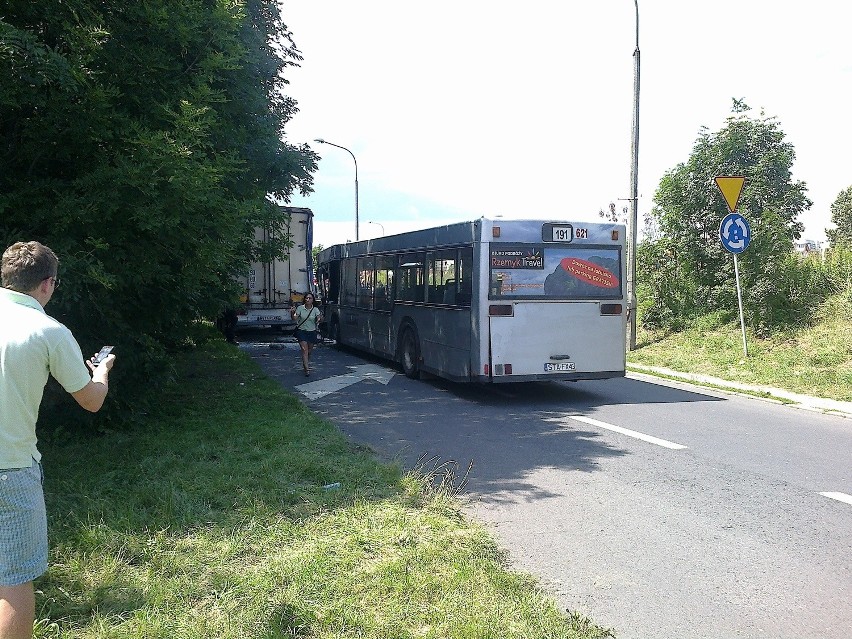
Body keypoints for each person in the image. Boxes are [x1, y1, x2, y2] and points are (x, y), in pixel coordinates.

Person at [0, 241, 116, 639]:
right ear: (48, 284)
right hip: (9, 470)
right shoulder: (49, 331)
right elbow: (90, 401)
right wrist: (101, 373)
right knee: (13, 580)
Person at [290, 292, 322, 376]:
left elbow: (319, 317)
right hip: (301, 331)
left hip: (312, 331)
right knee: (304, 350)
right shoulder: (300, 308)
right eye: (306, 298)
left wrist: (318, 319)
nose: (307, 299)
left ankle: (305, 363)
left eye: (310, 298)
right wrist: (292, 312)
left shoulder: (315, 309)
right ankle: (307, 369)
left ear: (312, 300)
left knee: (309, 351)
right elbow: (294, 318)